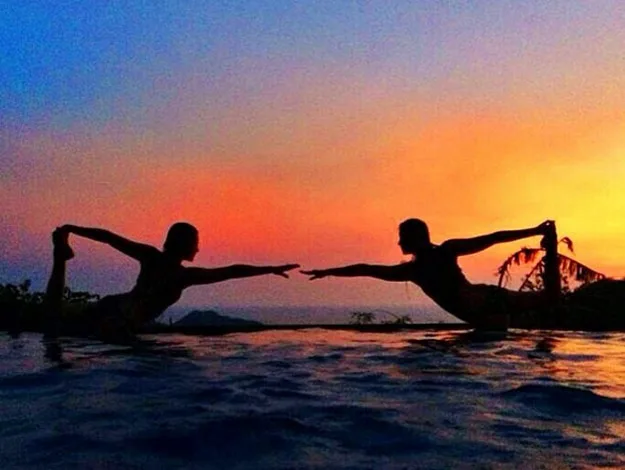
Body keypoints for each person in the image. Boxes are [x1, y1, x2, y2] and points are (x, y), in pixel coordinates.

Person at [44, 222, 298, 337]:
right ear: (185, 244)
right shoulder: (184, 276)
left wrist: (72, 229)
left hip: (114, 307)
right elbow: (232, 271)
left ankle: (60, 256)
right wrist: (270, 269)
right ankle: (60, 256)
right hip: (119, 322)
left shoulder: (151, 256)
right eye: (196, 243)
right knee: (55, 330)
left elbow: (109, 237)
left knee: (54, 322)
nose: (198, 248)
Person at [301, 219, 559, 329]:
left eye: (402, 238)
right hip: (486, 298)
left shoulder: (426, 263)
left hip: (484, 307)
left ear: (413, 239)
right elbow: (366, 269)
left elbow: (491, 238)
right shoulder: (426, 262)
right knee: (550, 299)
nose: (399, 243)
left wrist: (533, 231)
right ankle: (551, 243)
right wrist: (329, 272)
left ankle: (549, 241)